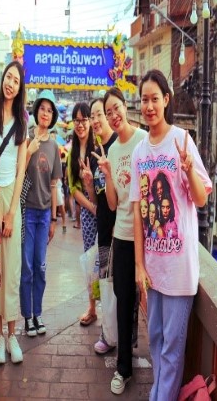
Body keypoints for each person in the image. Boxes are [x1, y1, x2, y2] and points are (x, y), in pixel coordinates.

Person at [130, 69, 212, 400]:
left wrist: (190, 170)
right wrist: (139, 266)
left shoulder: (182, 139)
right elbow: (137, 213)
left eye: (154, 99)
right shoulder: (139, 153)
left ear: (166, 100)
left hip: (179, 270)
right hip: (153, 268)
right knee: (158, 342)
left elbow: (202, 198)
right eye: (144, 100)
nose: (149, 106)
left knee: (172, 349)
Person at [91, 86, 147, 395]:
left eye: (116, 109)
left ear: (126, 107)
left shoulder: (142, 140)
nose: (113, 116)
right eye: (107, 112)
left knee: (152, 302)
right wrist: (108, 174)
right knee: (124, 301)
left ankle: (154, 366)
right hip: (123, 235)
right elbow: (112, 204)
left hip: (149, 237)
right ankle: (123, 366)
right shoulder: (111, 151)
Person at [0, 61, 27, 365]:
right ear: (2, 79)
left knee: (12, 269)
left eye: (15, 80)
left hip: (10, 198)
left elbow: (20, 168)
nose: (10, 83)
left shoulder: (22, 120)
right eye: (7, 77)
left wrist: (12, 211)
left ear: (20, 86)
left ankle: (13, 334)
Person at [21, 89, 62, 337]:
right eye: (42, 109)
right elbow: (19, 172)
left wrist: (55, 219)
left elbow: (55, 185)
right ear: (35, 112)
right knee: (26, 266)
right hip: (27, 211)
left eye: (49, 110)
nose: (45, 113)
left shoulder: (54, 146)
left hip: (45, 213)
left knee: (41, 266)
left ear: (52, 115)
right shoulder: (26, 140)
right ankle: (27, 317)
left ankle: (38, 313)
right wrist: (28, 149)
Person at [82, 97, 117, 353]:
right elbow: (96, 199)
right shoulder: (97, 153)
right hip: (103, 230)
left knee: (119, 286)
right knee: (105, 282)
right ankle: (108, 334)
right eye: (92, 116)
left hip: (120, 232)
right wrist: (87, 182)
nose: (95, 120)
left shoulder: (117, 147)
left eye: (99, 115)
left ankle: (120, 337)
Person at [68, 102, 98, 326]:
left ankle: (108, 309)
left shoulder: (98, 146)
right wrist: (91, 207)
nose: (80, 124)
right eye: (77, 120)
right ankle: (92, 307)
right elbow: (73, 188)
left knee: (106, 260)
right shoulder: (72, 152)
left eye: (84, 119)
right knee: (91, 260)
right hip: (89, 214)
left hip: (107, 209)